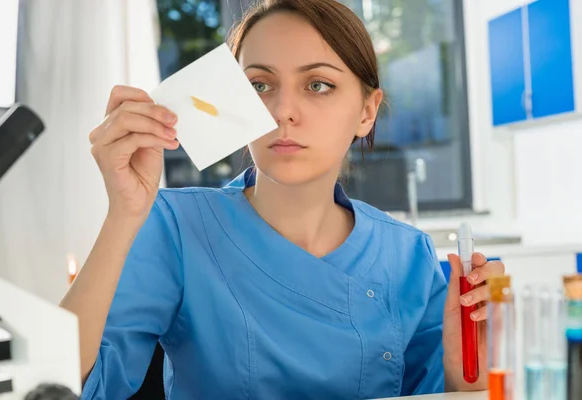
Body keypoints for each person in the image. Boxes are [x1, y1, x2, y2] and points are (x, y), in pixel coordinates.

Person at [60, 0, 506, 398]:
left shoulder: (410, 256)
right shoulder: (176, 228)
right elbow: (64, 388)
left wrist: (467, 368)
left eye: (317, 85)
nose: (281, 111)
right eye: (259, 85)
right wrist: (123, 214)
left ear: (367, 112)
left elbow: (439, 393)